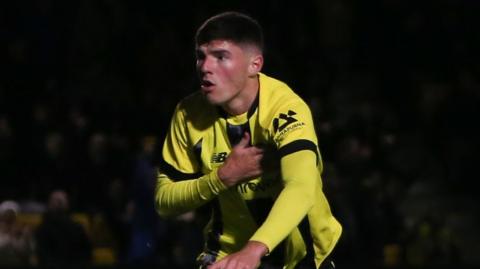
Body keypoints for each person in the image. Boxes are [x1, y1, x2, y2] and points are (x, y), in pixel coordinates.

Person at [155, 11, 342, 269]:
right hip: (226, 255)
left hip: (302, 257)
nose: (205, 67)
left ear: (255, 64)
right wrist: (222, 177)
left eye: (221, 57)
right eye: (201, 56)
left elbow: (301, 187)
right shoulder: (187, 113)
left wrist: (254, 249)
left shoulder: (286, 108)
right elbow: (165, 201)